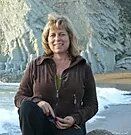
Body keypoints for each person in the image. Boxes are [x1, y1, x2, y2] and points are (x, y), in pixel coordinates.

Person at [14, 12, 98, 135]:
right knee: (27, 107)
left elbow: (92, 104)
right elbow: (19, 98)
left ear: (70, 37)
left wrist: (75, 118)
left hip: (70, 127)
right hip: (42, 125)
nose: (57, 39)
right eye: (52, 35)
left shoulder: (83, 67)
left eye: (62, 34)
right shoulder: (36, 65)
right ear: (47, 40)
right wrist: (38, 102)